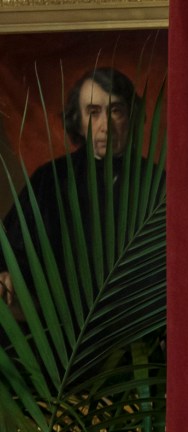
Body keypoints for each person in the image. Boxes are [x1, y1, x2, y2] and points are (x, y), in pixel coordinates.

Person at [0, 66, 158, 309]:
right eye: (93, 112)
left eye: (115, 110)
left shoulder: (160, 184)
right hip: (66, 334)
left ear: (132, 117)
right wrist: (6, 272)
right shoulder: (50, 180)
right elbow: (12, 246)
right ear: (79, 121)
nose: (105, 125)